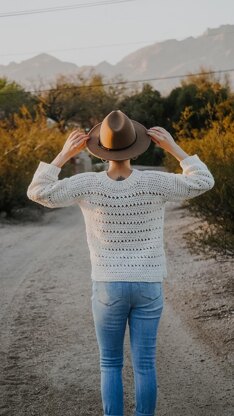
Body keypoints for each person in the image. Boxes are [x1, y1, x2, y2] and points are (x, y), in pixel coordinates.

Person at [26, 110, 215, 416]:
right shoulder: (156, 182)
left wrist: (63, 154)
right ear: (138, 145)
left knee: (110, 364)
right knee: (145, 364)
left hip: (108, 286)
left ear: (99, 149)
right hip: (148, 284)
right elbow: (204, 180)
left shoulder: (86, 183)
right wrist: (175, 149)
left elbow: (37, 192)